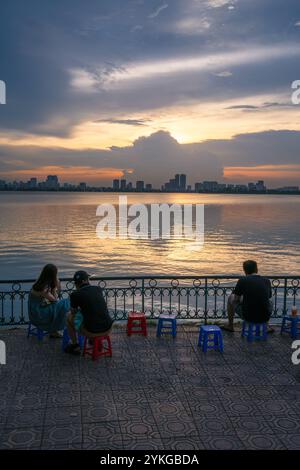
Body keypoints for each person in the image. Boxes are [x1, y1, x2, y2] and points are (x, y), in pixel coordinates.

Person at [64, 270, 113, 355]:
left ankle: (75, 345)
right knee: (92, 314)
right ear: (85, 281)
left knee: (68, 317)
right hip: (108, 328)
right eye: (88, 279)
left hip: (92, 331)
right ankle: (93, 340)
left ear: (77, 283)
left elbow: (73, 312)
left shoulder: (75, 294)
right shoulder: (98, 289)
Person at [222, 260, 273, 333]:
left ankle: (230, 326)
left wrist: (242, 299)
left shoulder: (243, 280)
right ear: (257, 269)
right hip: (265, 316)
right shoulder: (266, 280)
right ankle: (266, 326)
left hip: (248, 316)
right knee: (270, 302)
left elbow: (236, 299)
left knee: (231, 297)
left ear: (245, 271)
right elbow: (268, 297)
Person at [28, 264, 70, 337]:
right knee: (65, 303)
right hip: (38, 315)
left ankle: (54, 331)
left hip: (37, 310)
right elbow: (54, 300)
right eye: (56, 274)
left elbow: (52, 300)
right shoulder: (43, 288)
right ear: (52, 275)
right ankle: (54, 330)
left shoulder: (39, 283)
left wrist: (54, 286)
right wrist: (57, 285)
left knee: (60, 307)